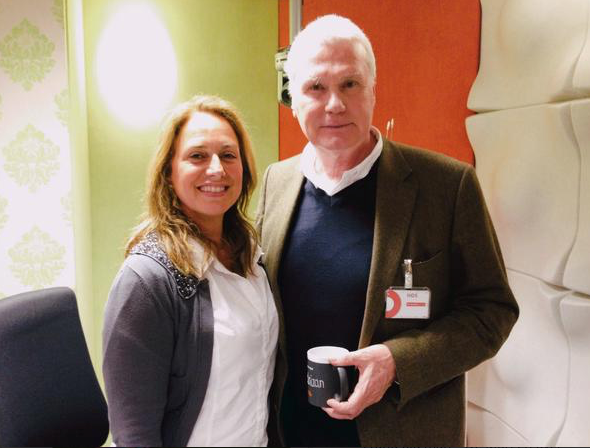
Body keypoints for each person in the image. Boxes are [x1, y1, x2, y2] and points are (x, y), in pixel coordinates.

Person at [256, 14, 519, 447]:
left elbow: (492, 312)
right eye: (316, 87)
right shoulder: (274, 183)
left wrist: (398, 362)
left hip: (403, 432)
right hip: (292, 432)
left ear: (373, 91)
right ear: (294, 98)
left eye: (350, 84)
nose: (334, 104)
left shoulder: (447, 186)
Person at [102, 94, 278, 447]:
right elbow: (134, 433)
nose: (216, 169)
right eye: (197, 156)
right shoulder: (146, 281)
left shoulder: (251, 254)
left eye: (228, 155)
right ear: (169, 172)